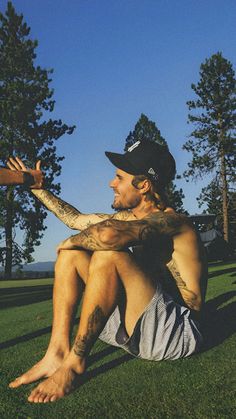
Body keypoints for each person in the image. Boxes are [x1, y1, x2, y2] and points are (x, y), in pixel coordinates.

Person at [7, 141, 207, 403]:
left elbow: (109, 236)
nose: (112, 184)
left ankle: (75, 364)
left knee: (107, 252)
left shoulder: (174, 222)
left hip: (174, 337)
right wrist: (38, 189)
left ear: (144, 185)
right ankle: (57, 352)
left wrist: (69, 241)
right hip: (134, 327)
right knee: (73, 255)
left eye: (119, 178)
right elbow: (74, 220)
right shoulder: (127, 219)